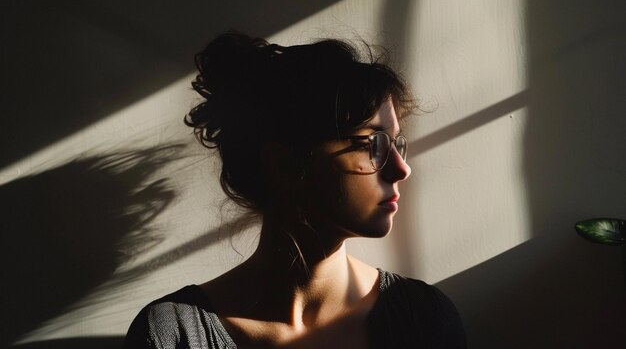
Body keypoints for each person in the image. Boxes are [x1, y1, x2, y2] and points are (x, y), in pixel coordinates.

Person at [124, 32, 466, 349]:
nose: (401, 169)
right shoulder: (173, 335)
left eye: (395, 144)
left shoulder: (422, 318)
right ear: (285, 162)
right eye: (370, 145)